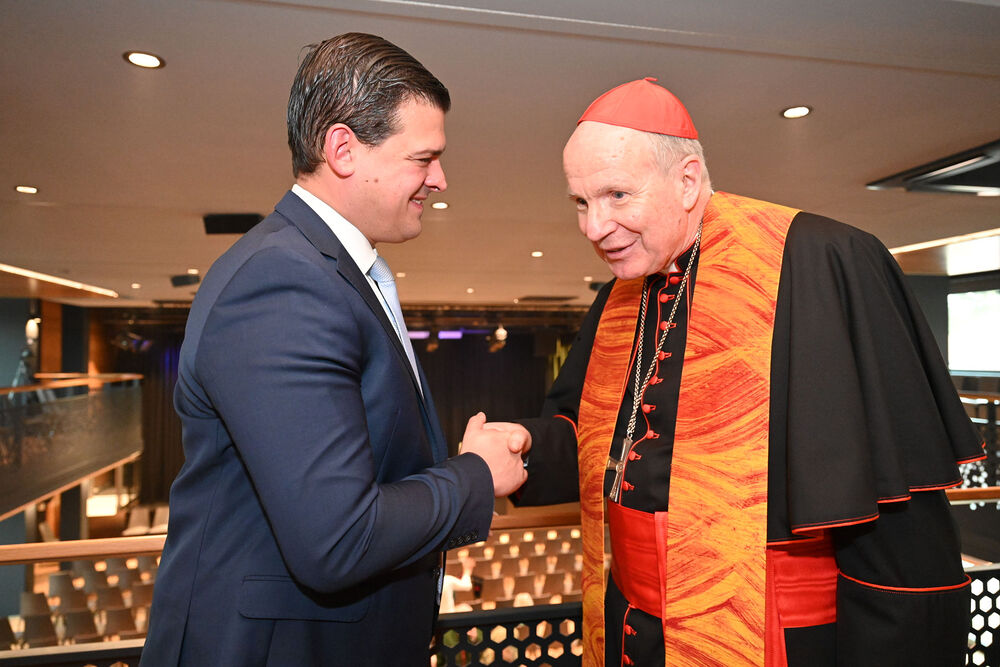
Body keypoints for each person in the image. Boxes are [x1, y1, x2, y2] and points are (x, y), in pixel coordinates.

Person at [495, 78, 985, 667]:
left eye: (617, 195)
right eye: (581, 201)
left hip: (780, 639)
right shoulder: (618, 298)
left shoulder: (819, 263)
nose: (593, 227)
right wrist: (524, 448)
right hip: (633, 630)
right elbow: (601, 443)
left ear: (688, 181)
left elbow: (902, 543)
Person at [142, 33, 526, 667]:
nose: (439, 180)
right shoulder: (283, 282)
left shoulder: (324, 272)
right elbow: (338, 539)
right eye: (424, 158)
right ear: (342, 149)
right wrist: (476, 474)